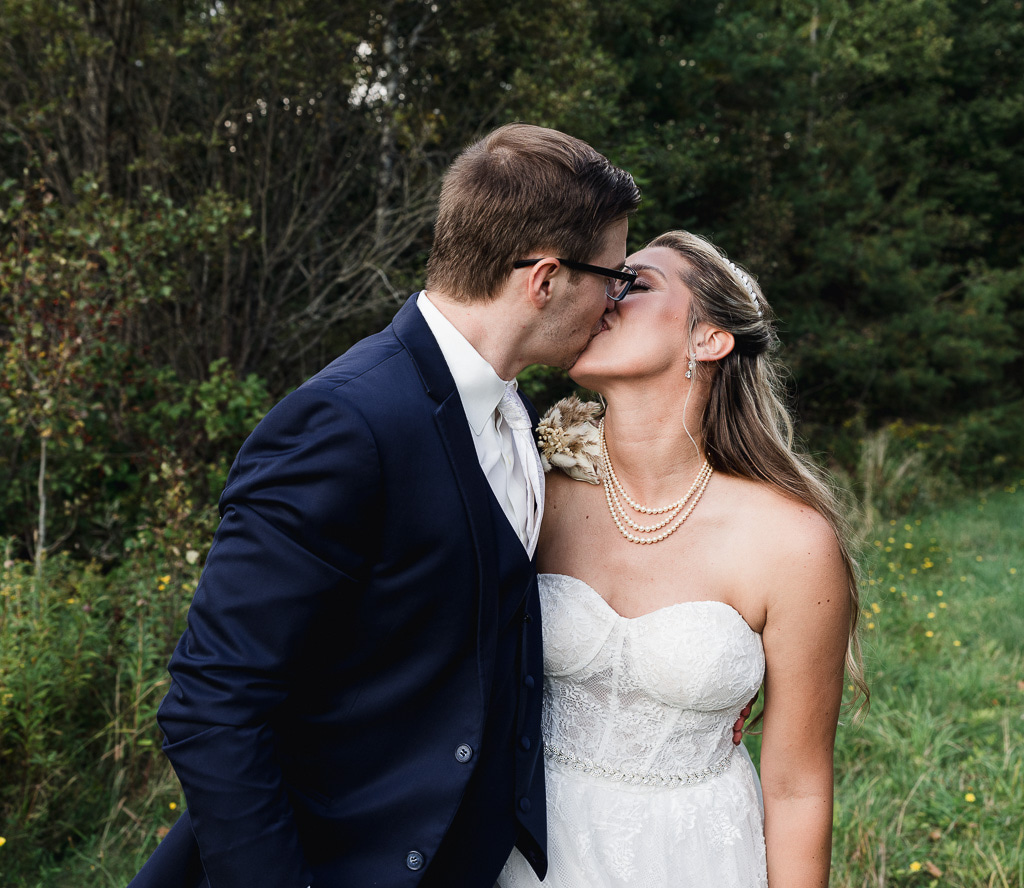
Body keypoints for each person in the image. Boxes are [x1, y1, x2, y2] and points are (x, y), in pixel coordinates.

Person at [127, 123, 641, 888]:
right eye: (613, 275)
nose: (616, 299)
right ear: (544, 278)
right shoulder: (345, 422)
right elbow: (212, 705)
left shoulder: (516, 412)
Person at [498, 230, 868, 888]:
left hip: (693, 855)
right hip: (527, 849)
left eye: (635, 283)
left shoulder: (793, 542)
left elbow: (798, 788)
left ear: (710, 339)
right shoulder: (530, 489)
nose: (606, 295)